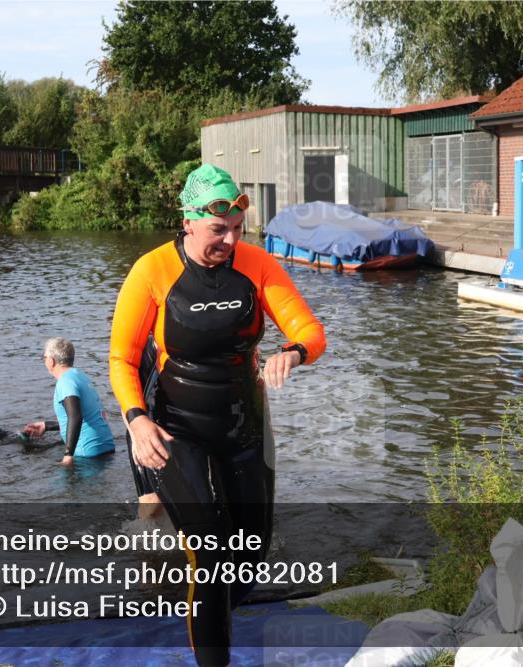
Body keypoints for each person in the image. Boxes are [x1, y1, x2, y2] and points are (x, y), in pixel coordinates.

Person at [109, 163, 326, 667]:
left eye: (237, 229)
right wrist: (137, 419)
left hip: (245, 427)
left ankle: (203, 618)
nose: (229, 240)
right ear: (187, 222)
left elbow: (311, 331)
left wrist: (293, 352)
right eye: (217, 230)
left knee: (249, 556)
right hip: (176, 429)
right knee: (210, 550)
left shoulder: (257, 265)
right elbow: (122, 358)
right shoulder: (152, 271)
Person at [23, 337, 115, 465]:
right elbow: (84, 416)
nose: (44, 361)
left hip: (88, 455)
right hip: (106, 449)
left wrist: (68, 455)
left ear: (51, 361)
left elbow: (76, 417)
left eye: (44, 358)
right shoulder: (80, 377)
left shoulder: (65, 382)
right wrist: (46, 426)